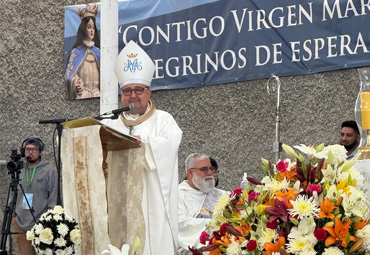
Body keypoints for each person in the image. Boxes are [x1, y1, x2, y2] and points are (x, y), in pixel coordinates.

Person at [101, 40, 182, 255]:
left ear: (149, 92)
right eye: (127, 90)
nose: (133, 95)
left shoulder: (163, 120)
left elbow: (170, 147)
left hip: (151, 202)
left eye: (138, 89)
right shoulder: (111, 122)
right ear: (121, 94)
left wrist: (143, 145)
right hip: (118, 200)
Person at [11, 138, 58, 255]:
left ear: (40, 152)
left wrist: (48, 220)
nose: (30, 152)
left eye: (34, 149)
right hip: (20, 223)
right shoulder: (19, 170)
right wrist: (13, 217)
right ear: (23, 151)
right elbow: (13, 194)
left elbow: (53, 196)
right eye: (28, 149)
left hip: (41, 224)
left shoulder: (49, 171)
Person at [178, 153, 226, 255]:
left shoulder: (224, 195)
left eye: (211, 168)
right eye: (204, 169)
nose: (209, 173)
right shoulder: (177, 195)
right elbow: (180, 225)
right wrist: (218, 225)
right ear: (190, 172)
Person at [65, 3, 100, 100]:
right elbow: (69, 75)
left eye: (93, 28)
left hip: (97, 94)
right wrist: (76, 82)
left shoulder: (99, 53)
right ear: (83, 29)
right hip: (83, 94)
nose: (92, 31)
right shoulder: (76, 52)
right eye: (89, 27)